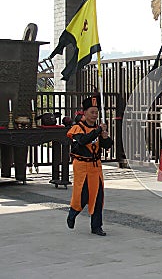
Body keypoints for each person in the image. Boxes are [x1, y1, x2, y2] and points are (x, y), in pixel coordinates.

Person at [66, 95, 113, 236]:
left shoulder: (98, 130)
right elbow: (83, 141)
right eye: (92, 112)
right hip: (81, 166)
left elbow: (107, 146)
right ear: (84, 112)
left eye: (96, 112)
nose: (94, 115)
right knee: (83, 195)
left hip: (95, 166)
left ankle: (96, 226)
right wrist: (98, 131)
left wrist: (105, 138)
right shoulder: (77, 128)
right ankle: (73, 212)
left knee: (98, 197)